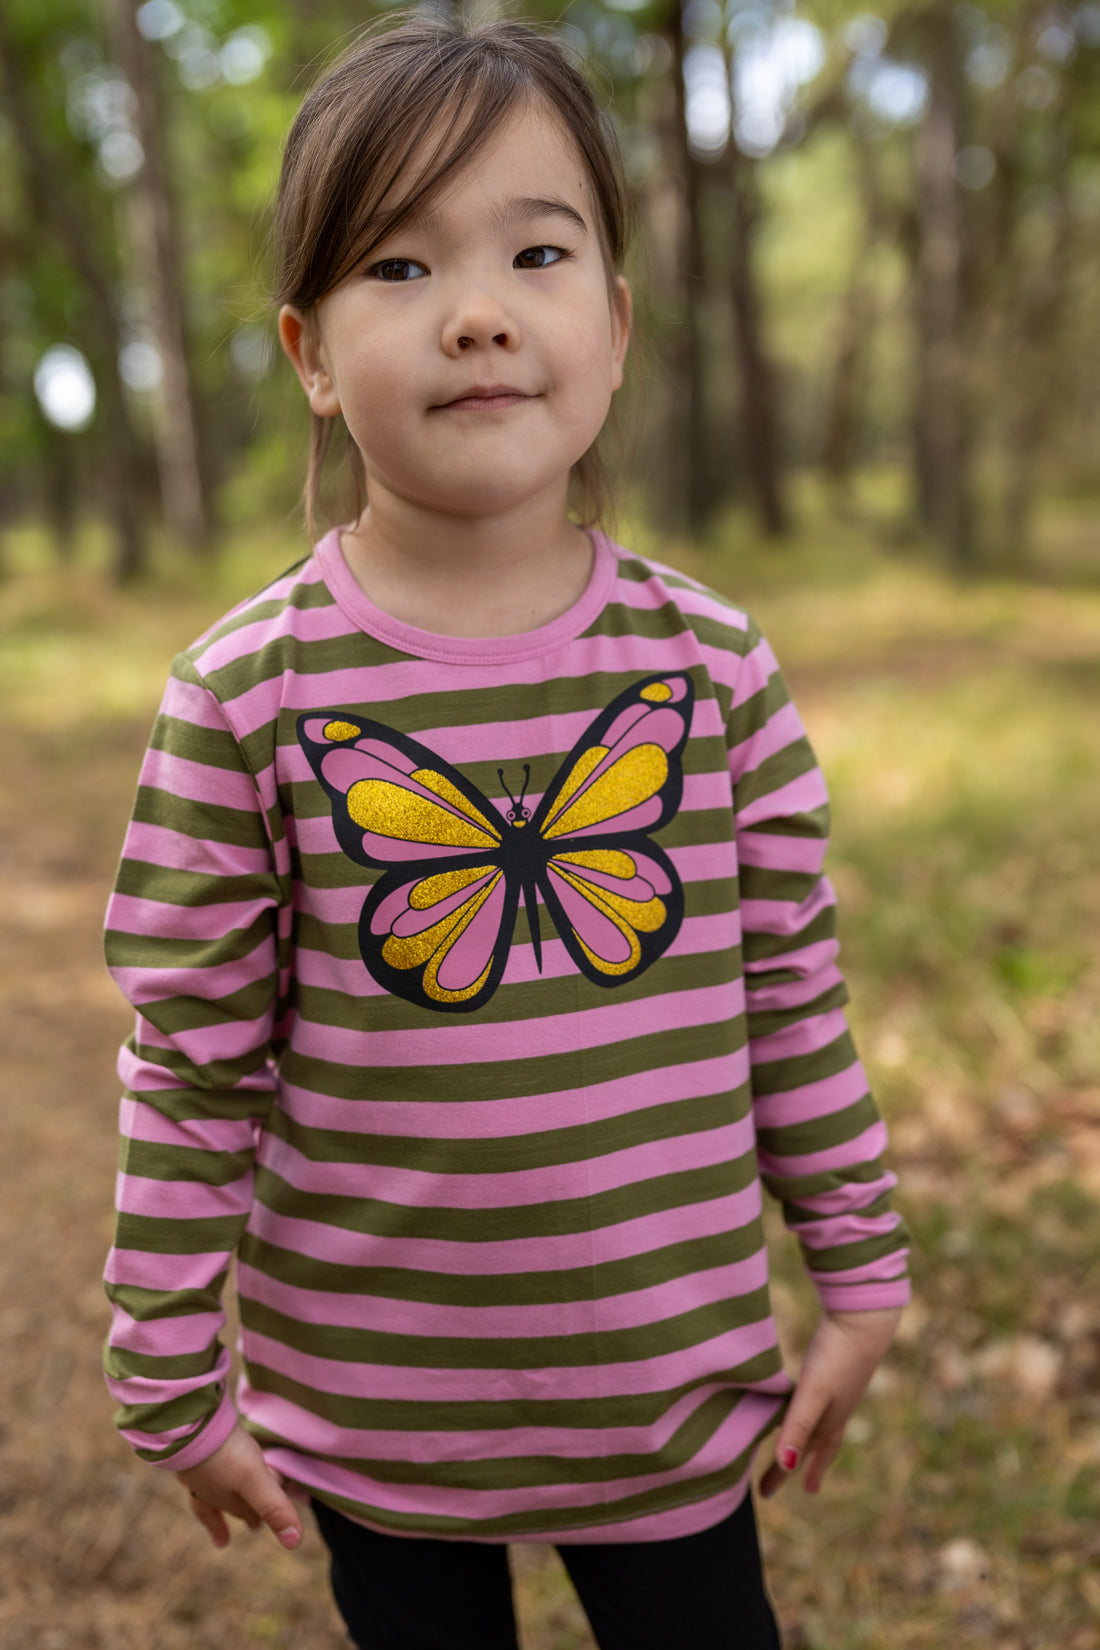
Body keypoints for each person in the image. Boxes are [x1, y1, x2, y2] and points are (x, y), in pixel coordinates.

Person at [102, 16, 909, 1650]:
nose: (477, 311)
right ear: (311, 354)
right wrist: (169, 1372)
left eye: (535, 252)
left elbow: (789, 997)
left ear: (610, 326)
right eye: (397, 268)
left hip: (672, 1408)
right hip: (380, 1419)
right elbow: (191, 1064)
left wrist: (863, 1270)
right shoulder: (247, 697)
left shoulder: (712, 670)